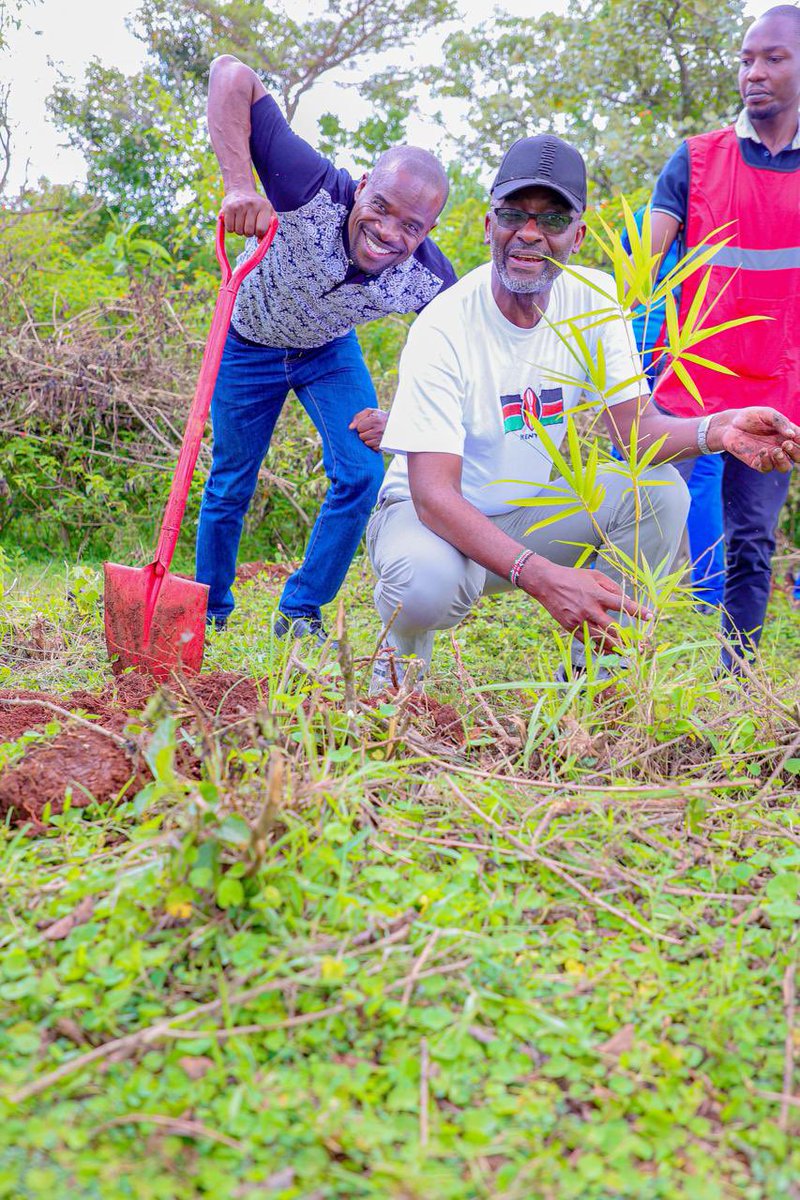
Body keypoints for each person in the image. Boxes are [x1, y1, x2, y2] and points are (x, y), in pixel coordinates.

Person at [366, 134, 800, 692]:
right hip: (431, 523)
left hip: (525, 516)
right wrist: (542, 577)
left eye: (552, 219)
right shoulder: (445, 325)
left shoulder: (594, 299)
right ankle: (399, 665)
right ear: (487, 224)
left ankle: (598, 680)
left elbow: (635, 432)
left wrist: (716, 429)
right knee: (424, 583)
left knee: (660, 491)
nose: (529, 233)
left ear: (579, 234)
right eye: (513, 214)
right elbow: (432, 494)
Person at [196, 54, 454, 643]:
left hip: (327, 353)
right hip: (248, 340)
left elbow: (470, 344)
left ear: (428, 234)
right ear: (361, 186)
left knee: (363, 471)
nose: (389, 232)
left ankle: (301, 609)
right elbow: (230, 74)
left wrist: (409, 417)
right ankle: (209, 609)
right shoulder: (309, 188)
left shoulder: (430, 280)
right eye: (381, 207)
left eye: (411, 227)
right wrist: (240, 186)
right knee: (231, 478)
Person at [649, 5, 800, 670]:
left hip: (777, 391)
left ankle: (733, 687)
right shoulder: (695, 160)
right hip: (687, 389)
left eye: (774, 58)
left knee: (751, 544)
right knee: (636, 524)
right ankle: (611, 671)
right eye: (747, 60)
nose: (755, 73)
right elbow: (638, 273)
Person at [621, 208, 725, 608]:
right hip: (678, 352)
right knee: (702, 468)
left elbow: (626, 279)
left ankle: (623, 574)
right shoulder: (708, 220)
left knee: (631, 461)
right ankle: (707, 593)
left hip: (636, 347)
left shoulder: (644, 218)